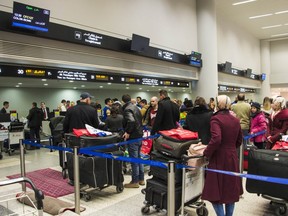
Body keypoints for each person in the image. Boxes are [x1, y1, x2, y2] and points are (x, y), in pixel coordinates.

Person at [202, 95, 243, 216]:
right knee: (230, 191)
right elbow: (239, 140)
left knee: (214, 191)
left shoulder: (216, 119)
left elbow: (216, 139)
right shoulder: (235, 120)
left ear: (218, 104)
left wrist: (206, 152)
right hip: (232, 157)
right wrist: (230, 148)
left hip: (218, 157)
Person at [122, 94, 144, 188]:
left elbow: (131, 121)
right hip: (139, 135)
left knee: (134, 160)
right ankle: (141, 179)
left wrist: (128, 132)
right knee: (139, 158)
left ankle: (135, 181)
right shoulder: (136, 107)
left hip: (133, 137)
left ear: (123, 101)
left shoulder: (127, 109)